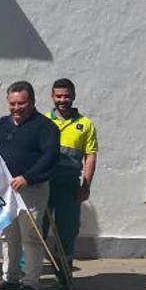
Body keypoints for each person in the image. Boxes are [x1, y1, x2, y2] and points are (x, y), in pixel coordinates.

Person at [0, 81, 59, 290]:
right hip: (5, 191)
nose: (16, 108)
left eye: (22, 103)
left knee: (31, 238)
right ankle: (10, 278)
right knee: (8, 235)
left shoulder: (46, 127)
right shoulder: (1, 125)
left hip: (31, 190)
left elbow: (50, 157)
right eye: (12, 104)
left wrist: (27, 178)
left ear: (32, 102)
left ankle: (30, 284)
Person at [44, 78, 98, 273]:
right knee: (35, 231)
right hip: (44, 184)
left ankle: (63, 275)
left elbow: (90, 156)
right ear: (52, 96)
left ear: (73, 97)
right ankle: (28, 278)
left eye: (67, 96)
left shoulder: (85, 124)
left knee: (67, 231)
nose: (62, 100)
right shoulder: (43, 120)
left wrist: (86, 186)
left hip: (69, 186)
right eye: (58, 96)